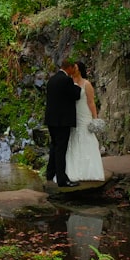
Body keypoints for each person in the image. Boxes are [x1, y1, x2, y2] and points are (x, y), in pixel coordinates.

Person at [65, 61, 105, 182]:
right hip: (72, 114)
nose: (73, 69)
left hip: (84, 113)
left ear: (80, 69)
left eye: (75, 67)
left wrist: (95, 118)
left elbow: (91, 102)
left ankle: (89, 170)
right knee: (73, 138)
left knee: (86, 137)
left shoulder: (86, 84)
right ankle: (73, 170)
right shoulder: (68, 82)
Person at [45, 59, 82, 187]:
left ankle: (50, 173)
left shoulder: (52, 80)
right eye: (73, 68)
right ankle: (62, 179)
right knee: (61, 149)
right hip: (62, 121)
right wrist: (77, 84)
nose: (74, 71)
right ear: (69, 68)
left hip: (51, 120)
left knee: (54, 146)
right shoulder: (66, 80)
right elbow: (75, 95)